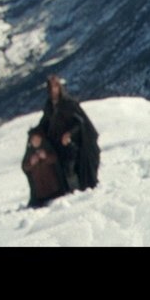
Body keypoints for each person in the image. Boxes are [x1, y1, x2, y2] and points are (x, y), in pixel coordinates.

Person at [24, 75, 100, 205]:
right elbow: (45, 123)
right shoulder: (49, 106)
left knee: (71, 168)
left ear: (59, 87)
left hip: (73, 144)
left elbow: (80, 123)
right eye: (51, 88)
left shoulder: (69, 103)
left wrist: (69, 134)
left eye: (55, 87)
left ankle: (77, 193)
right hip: (57, 144)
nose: (53, 90)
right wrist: (34, 133)